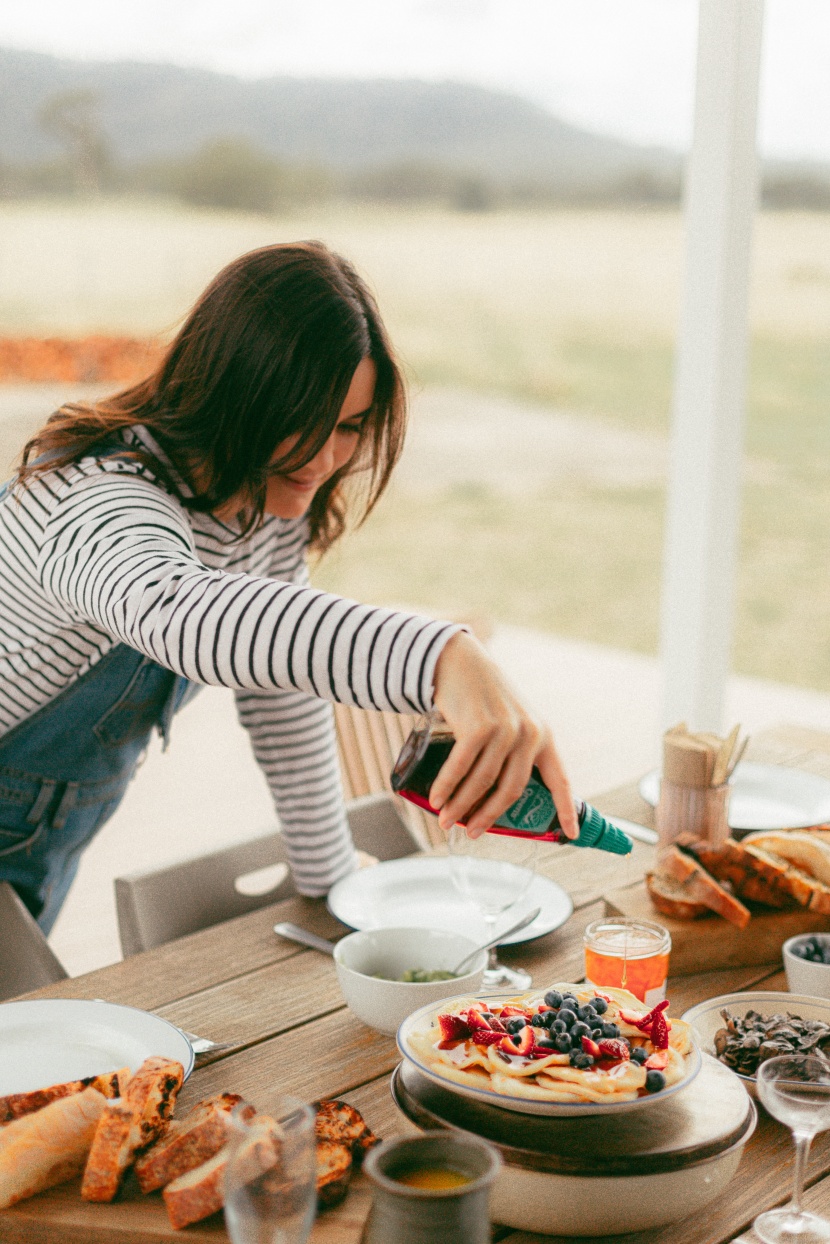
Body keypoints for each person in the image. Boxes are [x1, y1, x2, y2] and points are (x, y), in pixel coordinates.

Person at [0, 241, 576, 934]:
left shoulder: (259, 510)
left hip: (35, 843)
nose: (325, 458)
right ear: (230, 392)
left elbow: (283, 698)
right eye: (300, 422)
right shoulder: (96, 500)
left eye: (350, 428)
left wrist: (333, 883)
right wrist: (441, 657)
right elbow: (186, 617)